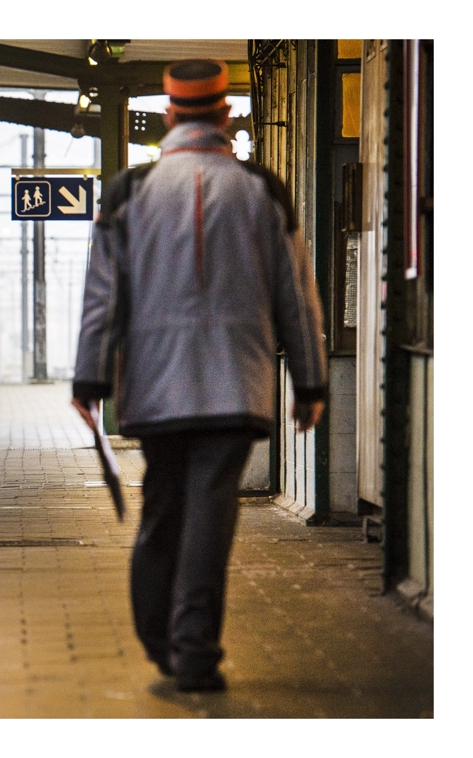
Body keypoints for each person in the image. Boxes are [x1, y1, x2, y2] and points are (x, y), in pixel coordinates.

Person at [71, 59, 327, 693]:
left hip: (156, 393)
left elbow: (102, 298)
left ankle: (162, 638)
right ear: (227, 115)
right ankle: (192, 650)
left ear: (166, 118)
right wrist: (312, 383)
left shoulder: (129, 192)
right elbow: (296, 294)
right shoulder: (264, 188)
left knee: (162, 507)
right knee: (211, 514)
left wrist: (89, 383)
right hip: (237, 388)